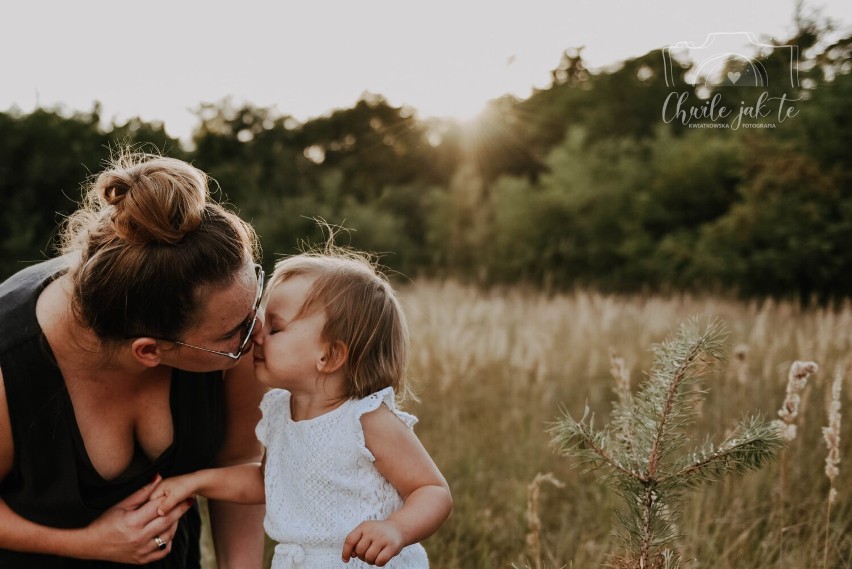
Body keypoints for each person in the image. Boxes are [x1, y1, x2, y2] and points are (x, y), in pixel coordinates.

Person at [0, 151, 267, 568]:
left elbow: (237, 462)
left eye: (256, 300)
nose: (258, 331)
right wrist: (86, 544)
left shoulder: (235, 329)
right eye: (232, 333)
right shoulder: (7, 363)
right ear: (149, 351)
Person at [151, 246, 453, 568]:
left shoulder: (364, 419)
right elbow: (265, 481)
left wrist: (396, 529)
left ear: (329, 356)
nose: (257, 335)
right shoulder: (281, 411)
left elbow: (432, 489)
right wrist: (194, 482)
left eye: (276, 328)